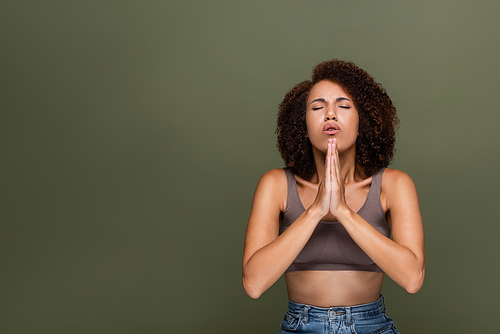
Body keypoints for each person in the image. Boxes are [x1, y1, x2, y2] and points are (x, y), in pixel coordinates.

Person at [242, 59, 425, 334]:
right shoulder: (276, 184)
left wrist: (344, 212)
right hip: (299, 326)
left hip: (371, 326)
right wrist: (315, 210)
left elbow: (412, 278)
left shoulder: (394, 185)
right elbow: (253, 284)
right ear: (302, 124)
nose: (330, 114)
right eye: (317, 107)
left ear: (362, 120)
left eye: (343, 106)